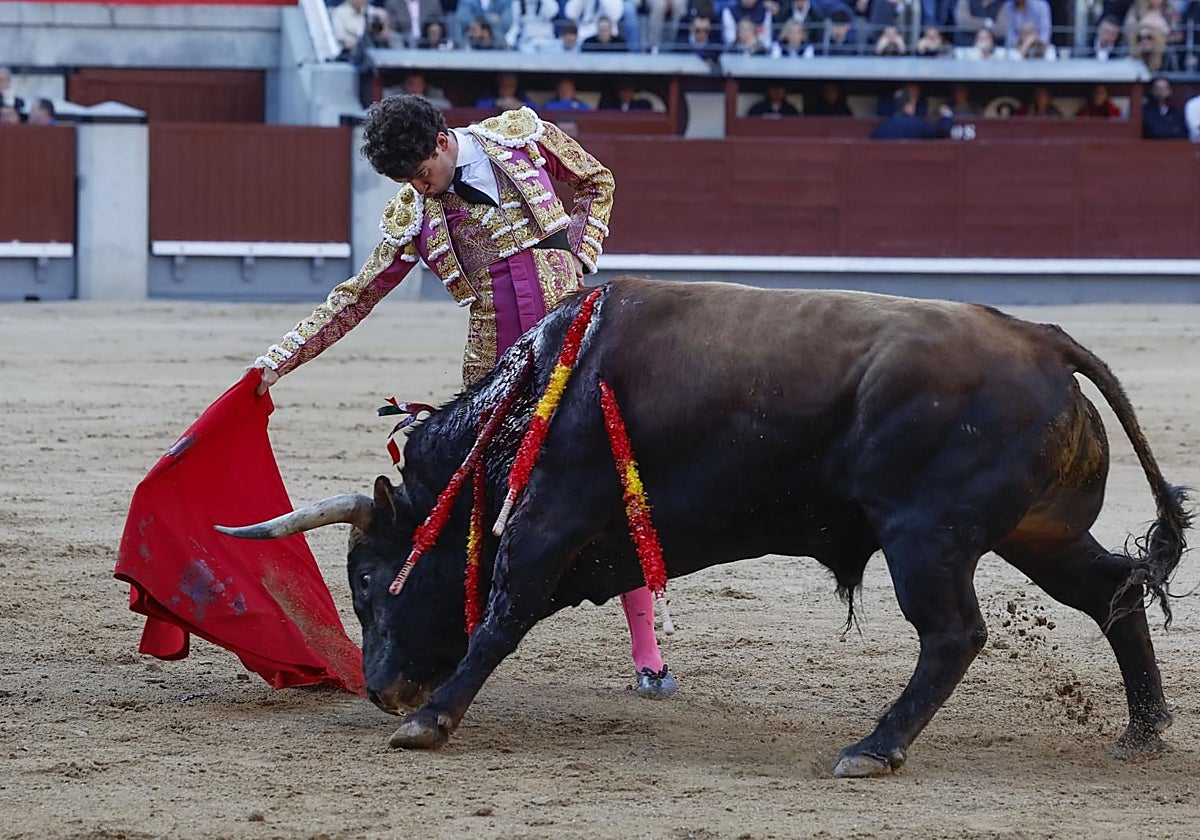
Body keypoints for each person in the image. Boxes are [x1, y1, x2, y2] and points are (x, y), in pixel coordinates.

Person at [251, 95, 679, 699]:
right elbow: (356, 296)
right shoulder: (413, 213)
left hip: (578, 344)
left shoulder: (519, 136)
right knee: (478, 510)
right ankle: (458, 647)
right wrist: (275, 363)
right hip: (495, 372)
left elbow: (595, 180)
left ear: (443, 141)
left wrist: (577, 251)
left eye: (421, 174)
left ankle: (647, 651)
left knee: (611, 480)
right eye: (406, 182)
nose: (419, 189)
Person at [871, 86, 953, 138]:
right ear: (909, 104)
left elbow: (875, 135)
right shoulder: (918, 125)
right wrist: (947, 114)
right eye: (914, 103)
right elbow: (943, 131)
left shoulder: (882, 129)